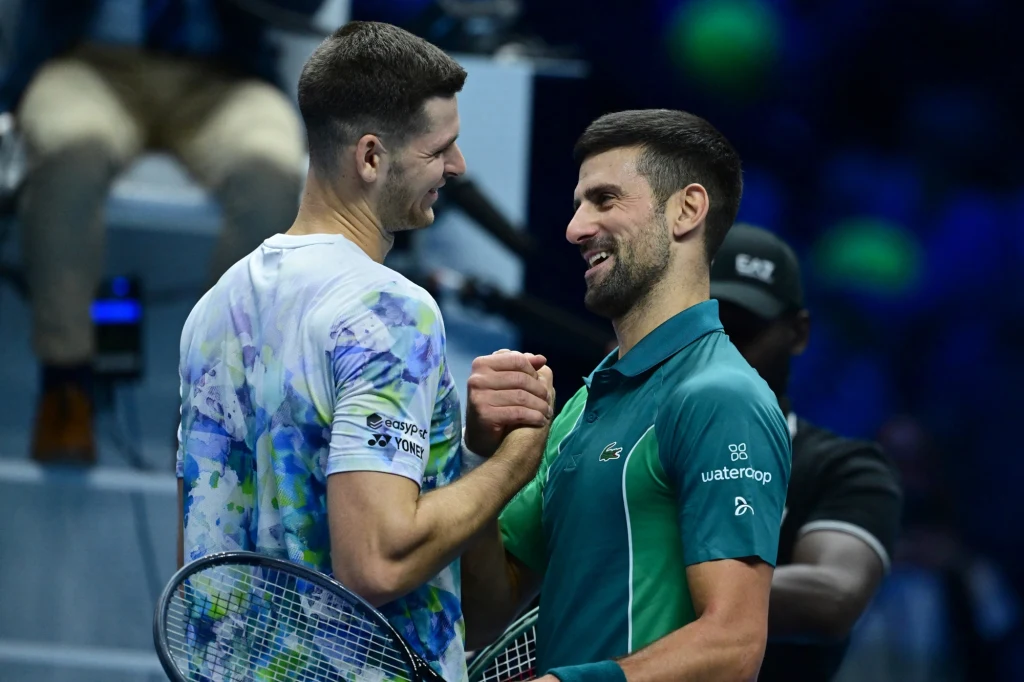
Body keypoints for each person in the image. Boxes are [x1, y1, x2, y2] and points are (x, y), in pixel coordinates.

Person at [176, 22, 555, 681]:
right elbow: (378, 563)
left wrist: (458, 454)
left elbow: (200, 556)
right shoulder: (390, 311)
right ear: (372, 157)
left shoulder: (212, 310)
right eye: (442, 148)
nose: (458, 168)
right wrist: (514, 462)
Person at [460, 109, 792, 682]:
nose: (575, 228)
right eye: (577, 204)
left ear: (686, 209)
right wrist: (485, 459)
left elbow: (735, 644)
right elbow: (485, 611)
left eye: (605, 200)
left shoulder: (722, 397)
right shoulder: (581, 404)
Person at [4, 0, 325, 464]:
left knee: (270, 172)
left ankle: (214, 404)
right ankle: (65, 381)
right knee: (69, 151)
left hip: (222, 77)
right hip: (88, 63)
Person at [709, 223, 904, 681]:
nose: (720, 349)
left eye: (742, 330)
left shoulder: (843, 470)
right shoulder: (620, 449)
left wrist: (642, 582)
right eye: (702, 326)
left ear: (798, 333)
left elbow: (831, 596)